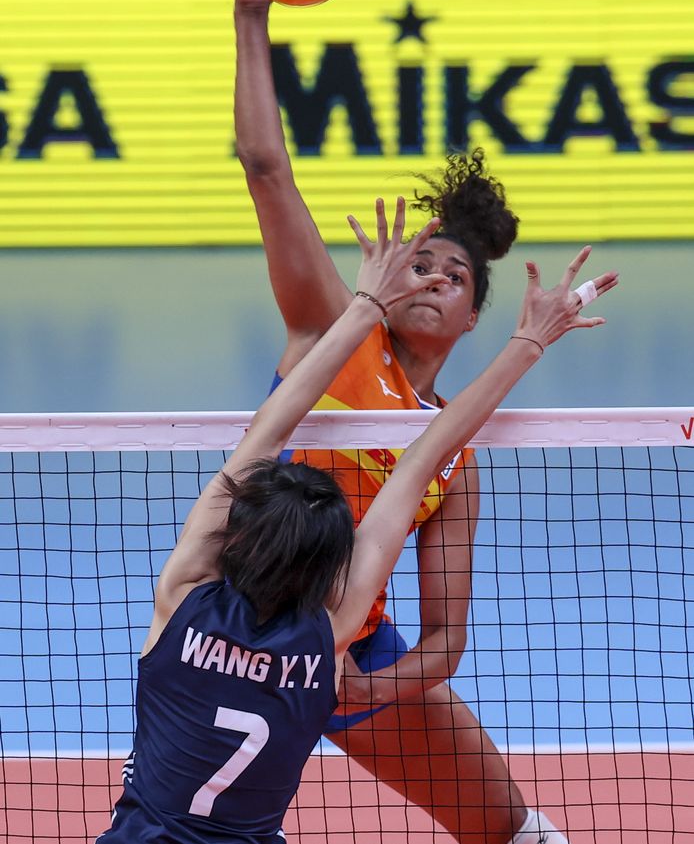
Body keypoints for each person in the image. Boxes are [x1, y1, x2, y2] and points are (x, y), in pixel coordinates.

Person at [227, 0, 618, 844]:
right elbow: (267, 170)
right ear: (390, 271)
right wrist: (252, 19)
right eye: (424, 262)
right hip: (238, 639)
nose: (437, 276)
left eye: (457, 277)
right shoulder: (337, 330)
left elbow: (444, 640)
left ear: (477, 314)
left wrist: (364, 683)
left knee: (516, 832)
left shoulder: (451, 452)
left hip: (351, 648)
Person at [96, 197, 615, 844]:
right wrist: (528, 343)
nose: (433, 279)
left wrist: (364, 302)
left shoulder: (181, 598)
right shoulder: (325, 642)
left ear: (240, 528)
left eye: (455, 275)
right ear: (332, 563)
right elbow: (417, 465)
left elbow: (268, 431)